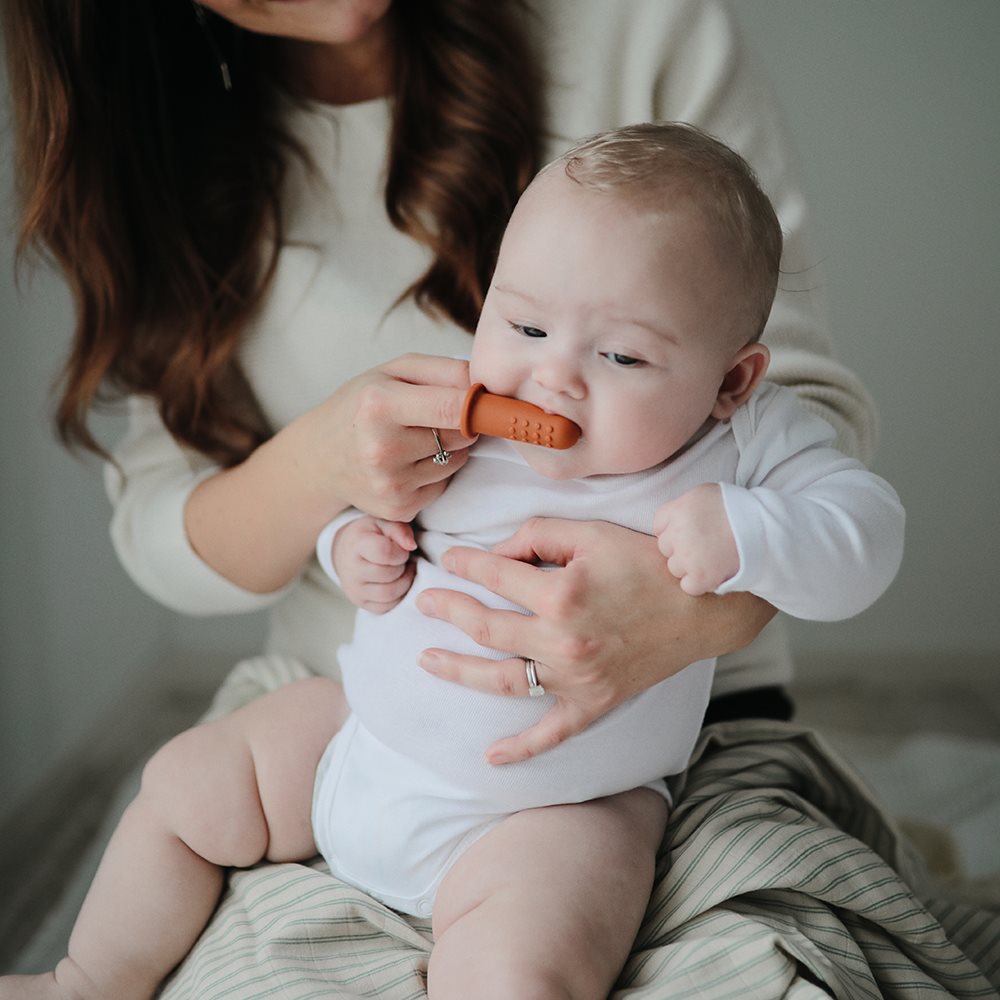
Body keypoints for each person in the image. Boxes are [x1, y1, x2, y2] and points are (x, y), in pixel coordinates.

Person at [9, 2, 986, 999]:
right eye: (520, 325)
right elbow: (366, 515)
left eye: (618, 355)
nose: (551, 380)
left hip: (559, 806)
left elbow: (865, 535)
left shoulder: (744, 438)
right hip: (362, 735)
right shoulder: (465, 406)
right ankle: (85, 980)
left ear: (730, 380)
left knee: (522, 966)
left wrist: (742, 541)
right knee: (183, 785)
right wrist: (354, 535)